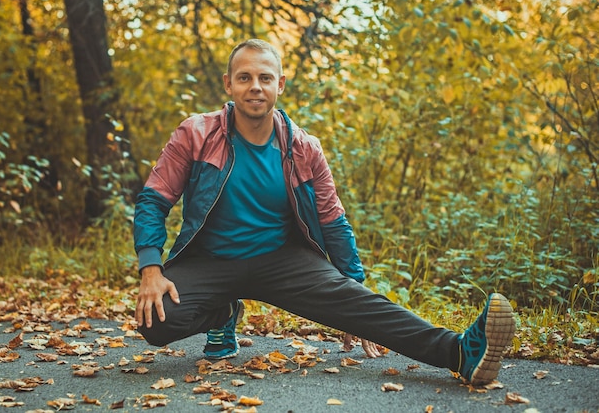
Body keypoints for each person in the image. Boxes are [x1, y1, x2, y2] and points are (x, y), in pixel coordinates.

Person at [132, 39, 515, 385]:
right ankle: (222, 313)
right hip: (210, 261)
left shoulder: (304, 147)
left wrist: (354, 293)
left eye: (265, 78)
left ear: (280, 85)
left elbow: (333, 221)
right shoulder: (196, 133)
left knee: (363, 303)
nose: (255, 87)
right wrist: (151, 268)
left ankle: (461, 352)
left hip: (281, 261)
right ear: (228, 84)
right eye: (244, 77)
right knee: (155, 320)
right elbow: (154, 199)